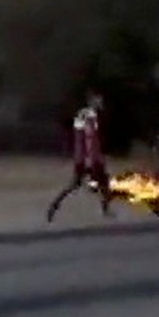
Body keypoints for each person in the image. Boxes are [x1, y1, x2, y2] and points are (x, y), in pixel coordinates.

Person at [47, 90, 112, 222]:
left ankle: (54, 206)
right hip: (89, 159)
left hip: (88, 157)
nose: (101, 103)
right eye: (98, 100)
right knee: (83, 184)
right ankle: (54, 206)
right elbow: (87, 139)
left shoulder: (85, 115)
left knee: (101, 184)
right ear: (91, 101)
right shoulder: (88, 116)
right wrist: (90, 161)